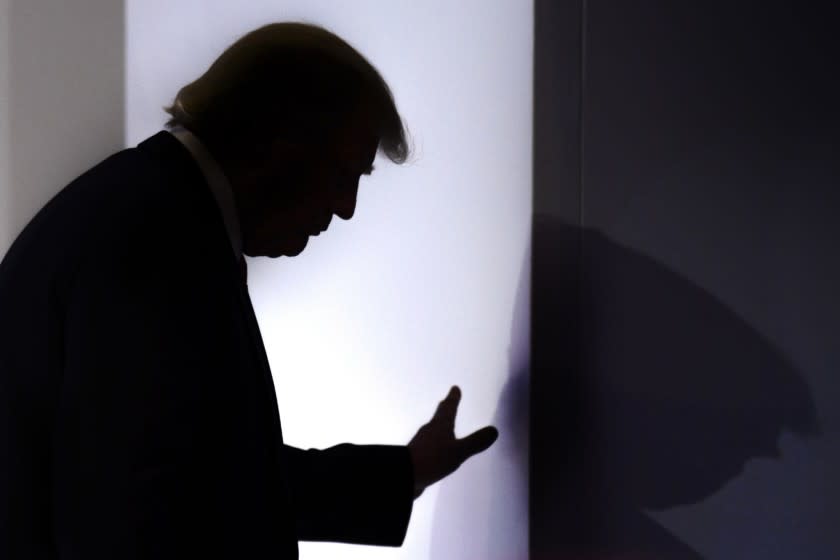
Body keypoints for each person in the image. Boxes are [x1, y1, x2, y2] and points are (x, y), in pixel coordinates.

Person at [0, 22, 498, 559]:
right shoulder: (159, 242)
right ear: (275, 140)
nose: (346, 207)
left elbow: (207, 476)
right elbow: (133, 516)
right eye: (341, 174)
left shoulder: (151, 212)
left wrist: (402, 474)